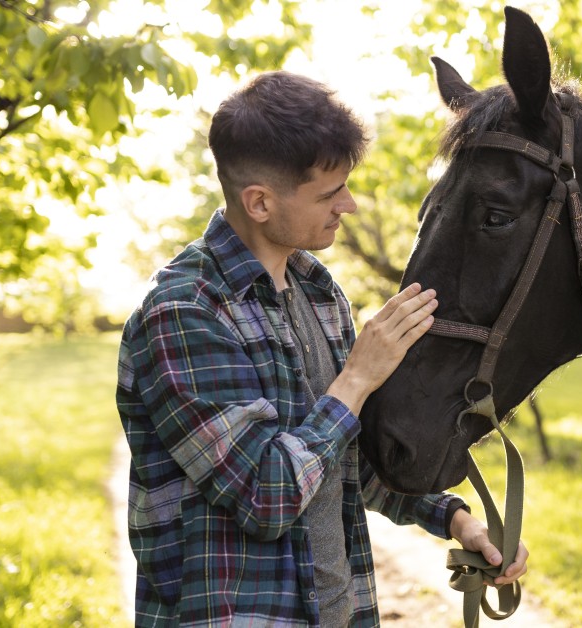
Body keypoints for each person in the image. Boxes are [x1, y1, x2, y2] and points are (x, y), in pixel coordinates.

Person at [116, 71, 528, 626]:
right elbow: (267, 496)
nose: (350, 205)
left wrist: (455, 519)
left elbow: (340, 457)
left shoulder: (317, 290)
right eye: (329, 193)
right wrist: (357, 378)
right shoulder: (185, 312)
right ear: (259, 202)